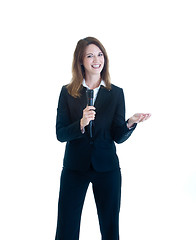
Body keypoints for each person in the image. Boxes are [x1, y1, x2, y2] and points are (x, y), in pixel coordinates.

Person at [55, 37, 151, 240]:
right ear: (81, 60)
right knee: (66, 228)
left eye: (100, 55)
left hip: (107, 169)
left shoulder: (116, 93)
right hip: (75, 168)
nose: (96, 60)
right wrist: (80, 124)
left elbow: (117, 136)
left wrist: (130, 123)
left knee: (110, 228)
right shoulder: (67, 92)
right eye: (90, 55)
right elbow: (60, 134)